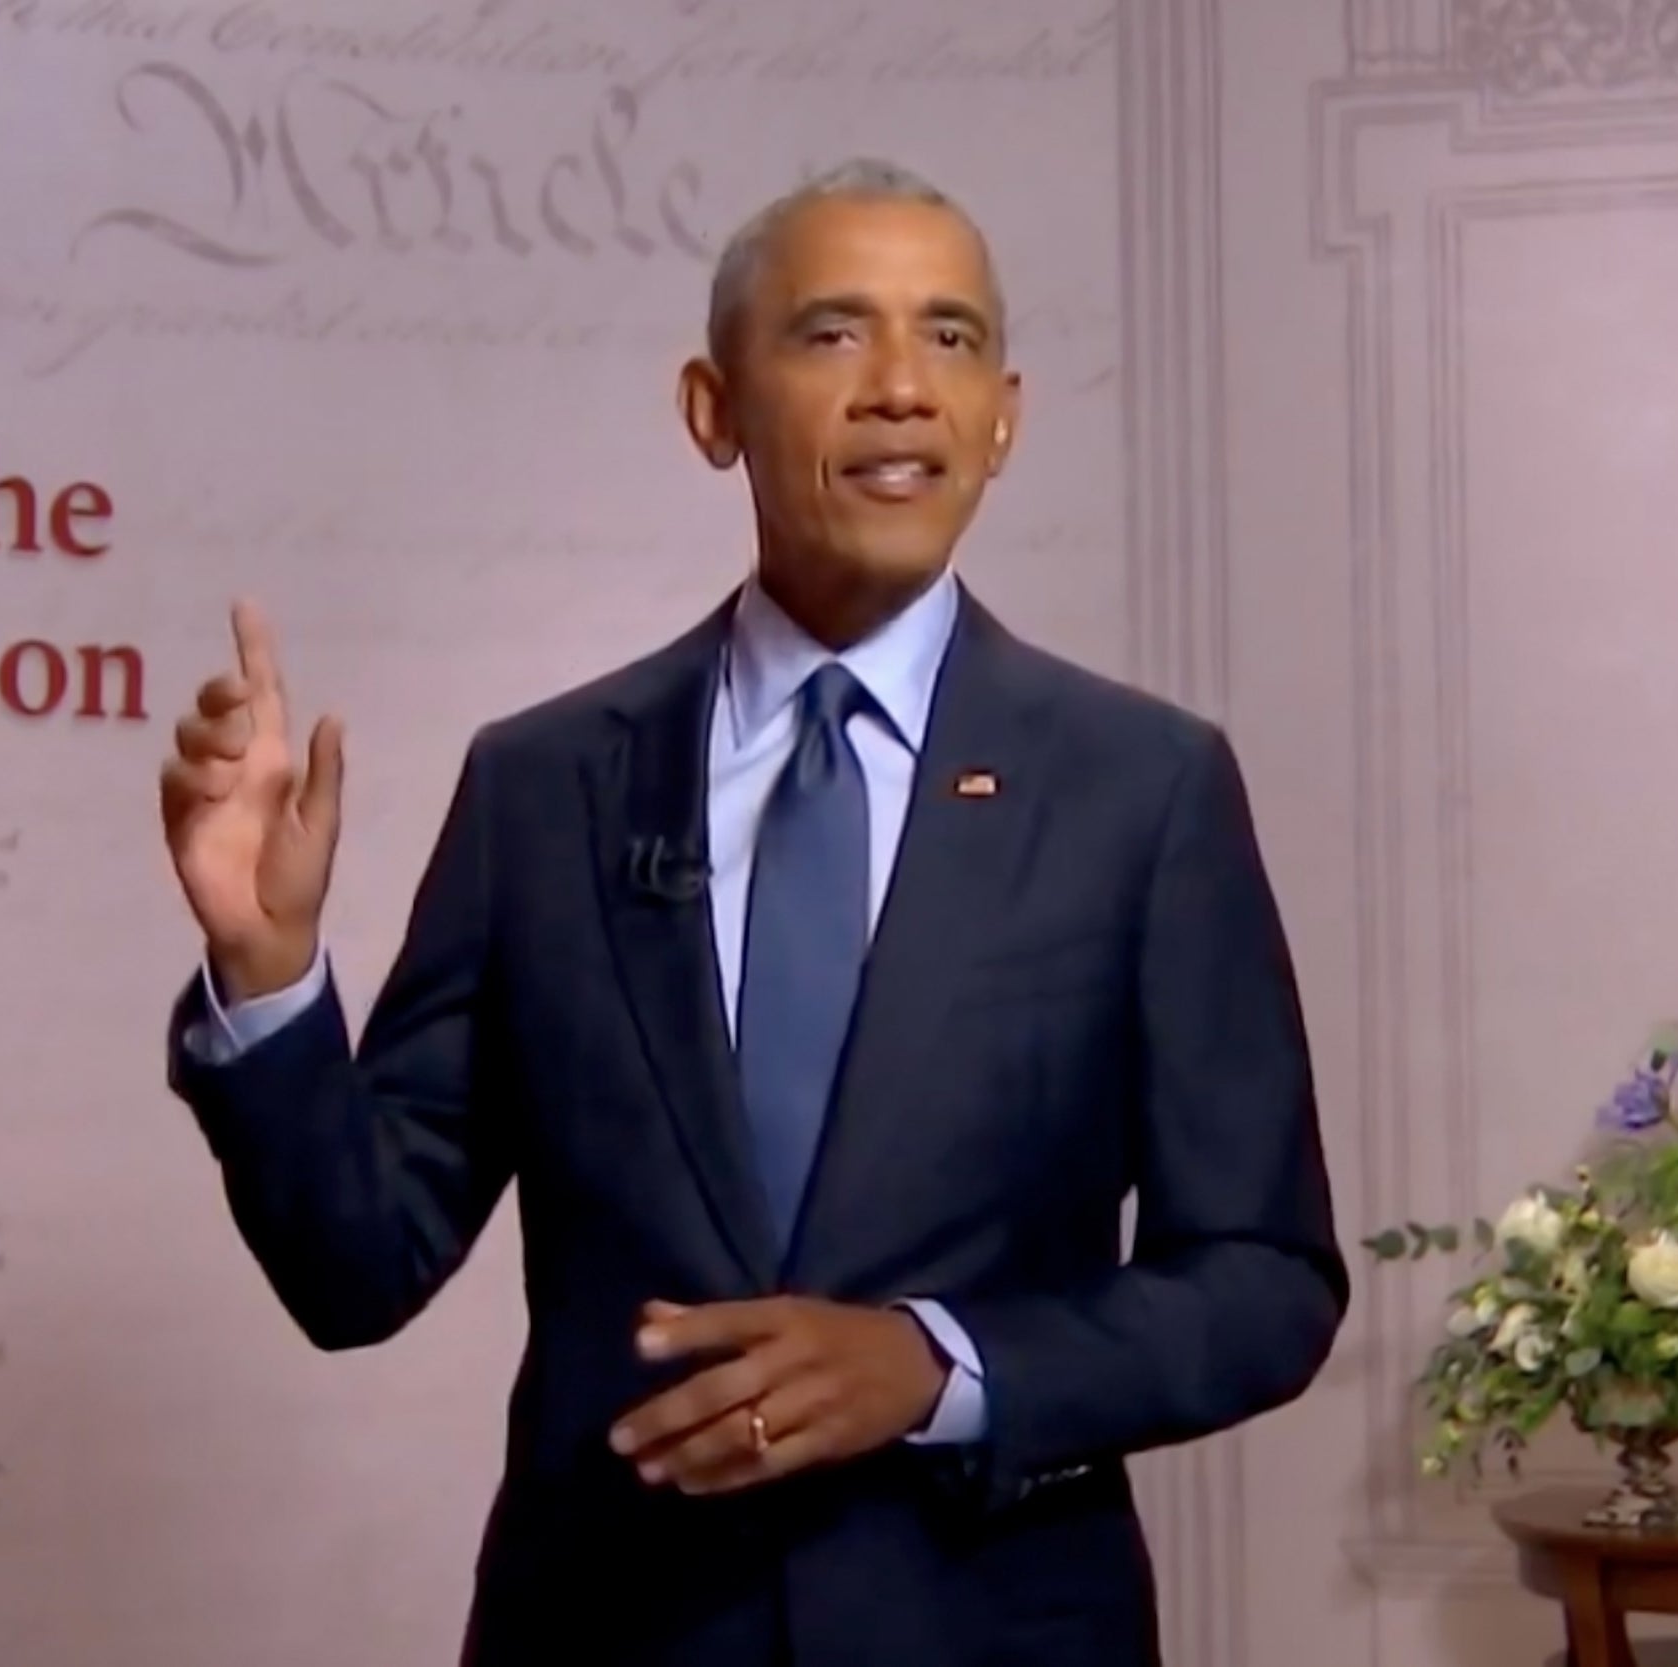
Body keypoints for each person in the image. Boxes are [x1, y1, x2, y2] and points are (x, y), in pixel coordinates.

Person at [157, 158, 1346, 1667]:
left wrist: (940, 1365)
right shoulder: (545, 789)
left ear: (1006, 419)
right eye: (836, 335)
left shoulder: (1144, 789)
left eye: (953, 340)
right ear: (713, 409)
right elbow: (355, 1269)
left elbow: (1262, 1281)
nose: (904, 388)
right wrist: (264, 973)